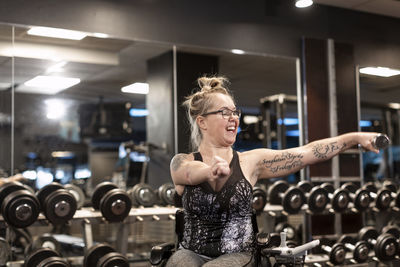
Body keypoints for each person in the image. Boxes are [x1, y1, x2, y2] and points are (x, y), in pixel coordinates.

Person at [167, 76, 380, 267]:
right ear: (202, 122)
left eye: (235, 112)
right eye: (224, 112)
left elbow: (307, 152)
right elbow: (187, 173)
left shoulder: (251, 162)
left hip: (239, 254)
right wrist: (210, 172)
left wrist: (354, 138)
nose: (233, 118)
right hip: (192, 251)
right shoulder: (182, 161)